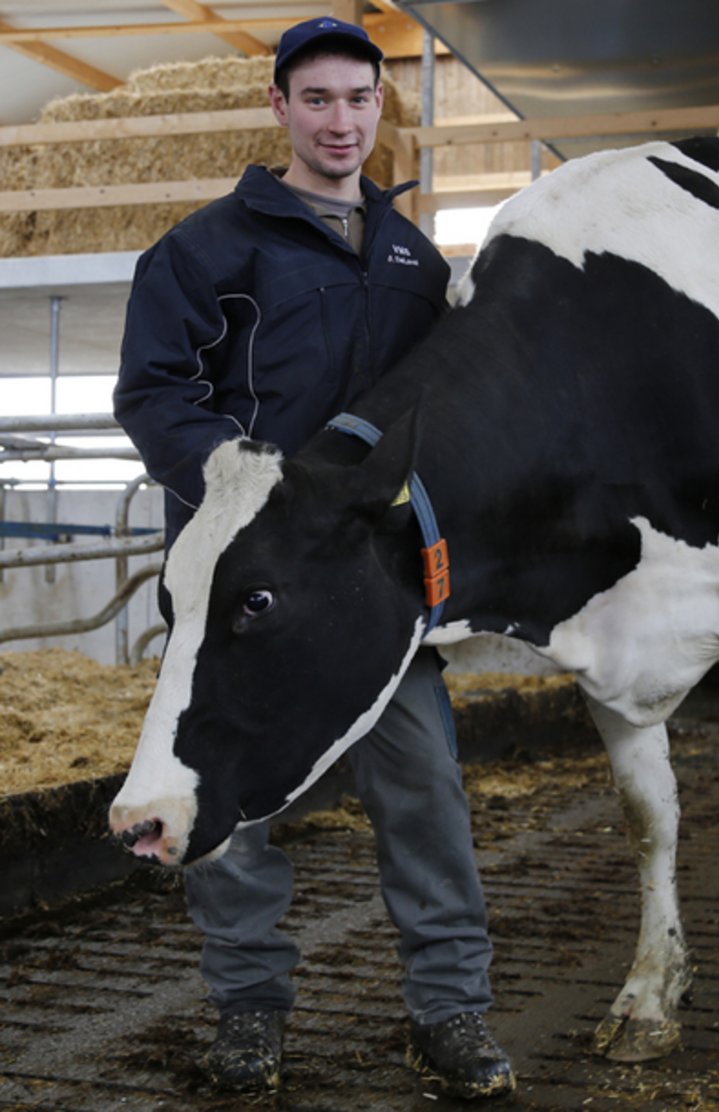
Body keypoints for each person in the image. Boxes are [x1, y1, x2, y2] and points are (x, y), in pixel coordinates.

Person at [112, 17, 513, 1101]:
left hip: (372, 595)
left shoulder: (411, 261)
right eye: (319, 99)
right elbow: (150, 393)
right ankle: (248, 1009)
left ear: (380, 111)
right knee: (227, 800)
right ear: (279, 108)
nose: (341, 121)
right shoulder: (205, 249)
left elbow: (444, 410)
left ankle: (449, 1008)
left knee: (426, 790)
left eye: (359, 100)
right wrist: (248, 480)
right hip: (245, 590)